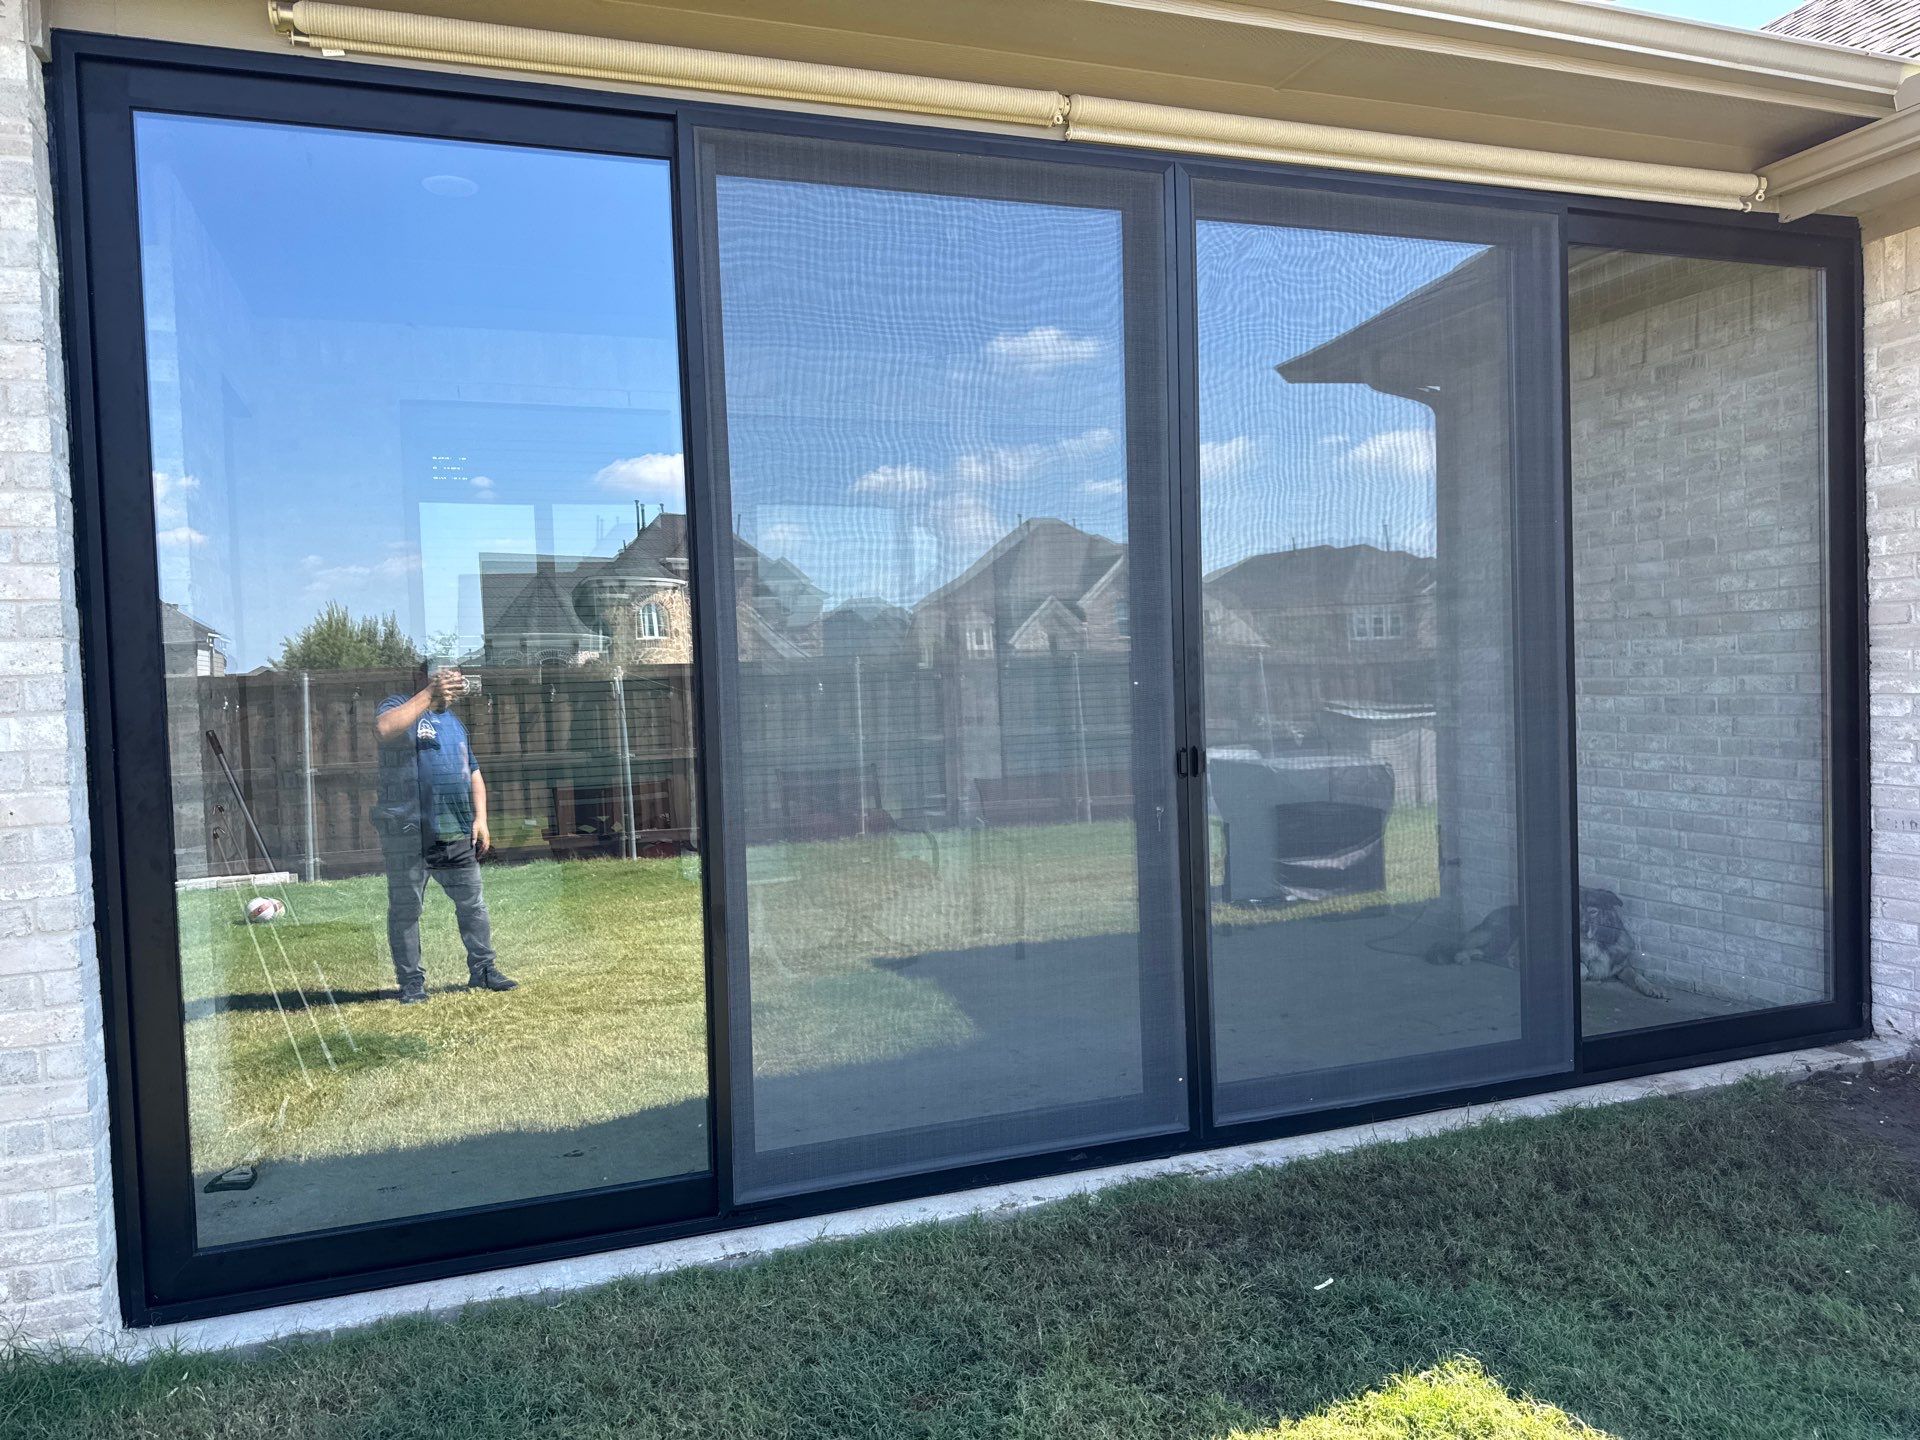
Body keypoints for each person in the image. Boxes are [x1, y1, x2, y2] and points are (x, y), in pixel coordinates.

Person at [372, 664, 517, 1003]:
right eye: (444, 679)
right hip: (409, 833)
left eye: (454, 681)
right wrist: (428, 694)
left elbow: (474, 773)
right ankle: (411, 984)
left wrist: (481, 819)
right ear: (426, 679)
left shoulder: (454, 722)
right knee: (406, 910)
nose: (452, 686)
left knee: (473, 906)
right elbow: (383, 729)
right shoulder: (397, 705)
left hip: (455, 833)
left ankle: (482, 970)